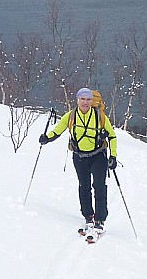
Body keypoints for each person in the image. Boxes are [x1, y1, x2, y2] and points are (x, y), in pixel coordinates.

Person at [39, 87, 118, 234]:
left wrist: (113, 156)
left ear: (92, 101)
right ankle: (88, 215)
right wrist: (47, 138)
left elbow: (112, 136)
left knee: (99, 186)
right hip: (79, 156)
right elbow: (58, 130)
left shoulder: (100, 116)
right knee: (84, 186)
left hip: (98, 155)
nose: (85, 102)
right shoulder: (71, 116)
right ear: (77, 100)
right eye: (82, 99)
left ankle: (100, 218)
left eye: (88, 99)